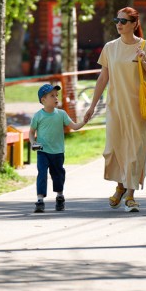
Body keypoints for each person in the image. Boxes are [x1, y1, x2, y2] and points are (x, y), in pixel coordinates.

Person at [83, 7, 146, 213]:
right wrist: (92, 106)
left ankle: (130, 196)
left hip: (138, 109)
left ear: (134, 24)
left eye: (124, 21)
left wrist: (143, 61)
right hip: (115, 108)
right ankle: (120, 186)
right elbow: (103, 78)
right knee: (114, 150)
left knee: (135, 151)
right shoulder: (110, 47)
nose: (119, 24)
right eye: (117, 20)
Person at [29, 83, 86, 213]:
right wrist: (33, 143)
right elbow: (31, 132)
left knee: (58, 175)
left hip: (58, 152)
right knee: (42, 174)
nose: (56, 98)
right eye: (52, 96)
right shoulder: (38, 116)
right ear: (43, 100)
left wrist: (84, 121)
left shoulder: (61, 114)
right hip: (42, 151)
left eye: (57, 95)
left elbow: (74, 126)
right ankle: (40, 200)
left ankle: (60, 196)